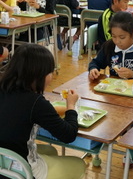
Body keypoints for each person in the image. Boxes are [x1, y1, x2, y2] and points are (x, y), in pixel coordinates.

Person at [0, 44, 86, 179]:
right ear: (38, 75)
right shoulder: (35, 102)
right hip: (20, 170)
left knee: (50, 150)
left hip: (3, 162)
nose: (51, 76)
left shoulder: (4, 88)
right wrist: (71, 106)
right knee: (78, 163)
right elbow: (68, 135)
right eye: (50, 72)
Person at [89, 11, 133, 82]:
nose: (117, 41)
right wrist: (93, 68)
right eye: (114, 36)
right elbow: (95, 62)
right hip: (114, 89)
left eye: (122, 37)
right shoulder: (109, 46)